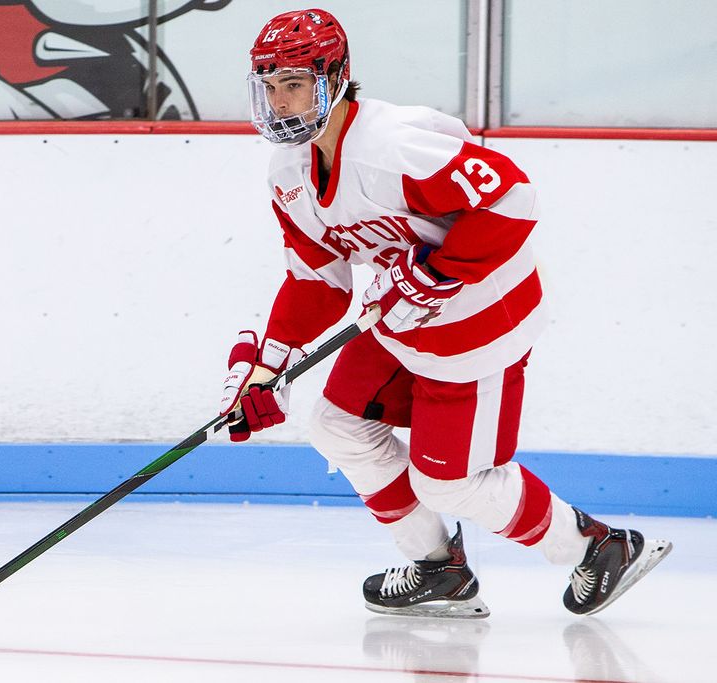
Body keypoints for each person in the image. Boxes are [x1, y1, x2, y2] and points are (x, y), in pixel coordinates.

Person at [218, 8, 672, 618]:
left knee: (451, 482)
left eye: (294, 84)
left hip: (479, 324)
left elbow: (512, 199)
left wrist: (434, 274)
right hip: (402, 320)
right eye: (268, 86)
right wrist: (268, 364)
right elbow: (318, 277)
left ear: (334, 79)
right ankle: (439, 569)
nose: (280, 102)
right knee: (336, 425)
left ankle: (599, 548)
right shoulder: (290, 172)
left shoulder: (391, 149)